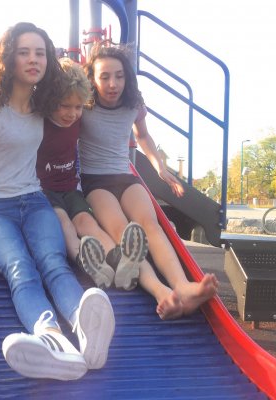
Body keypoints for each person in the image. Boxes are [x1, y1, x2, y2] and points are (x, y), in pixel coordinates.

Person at [0, 23, 115, 381]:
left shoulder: (44, 108)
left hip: (33, 199)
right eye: (24, 52)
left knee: (54, 263)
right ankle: (51, 339)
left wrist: (126, 96)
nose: (33, 59)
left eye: (40, 53)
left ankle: (85, 328)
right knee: (20, 268)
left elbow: (82, 96)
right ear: (8, 58)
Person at [79, 41, 219, 320]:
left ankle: (183, 287)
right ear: (92, 79)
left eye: (119, 76)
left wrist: (160, 168)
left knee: (150, 225)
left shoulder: (133, 104)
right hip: (95, 181)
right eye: (104, 76)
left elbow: (142, 135)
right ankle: (160, 291)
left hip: (125, 176)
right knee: (123, 231)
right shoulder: (83, 104)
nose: (113, 84)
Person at [36, 57, 148, 290]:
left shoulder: (78, 121)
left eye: (78, 107)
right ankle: (87, 261)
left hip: (70, 188)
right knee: (64, 223)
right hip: (43, 191)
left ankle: (120, 261)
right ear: (50, 101)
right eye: (65, 106)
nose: (72, 113)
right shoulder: (39, 122)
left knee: (87, 222)